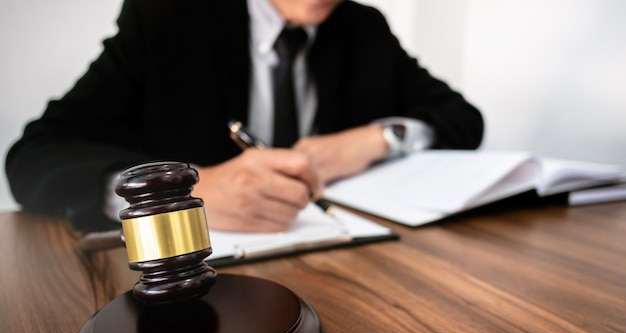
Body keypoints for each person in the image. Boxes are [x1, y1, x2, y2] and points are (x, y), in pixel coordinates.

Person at [5, 0, 484, 233]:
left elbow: (463, 117)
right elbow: (35, 158)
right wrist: (182, 195)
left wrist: (377, 138)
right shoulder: (168, 15)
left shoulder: (364, 28)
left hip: (344, 264)